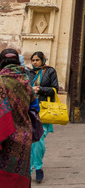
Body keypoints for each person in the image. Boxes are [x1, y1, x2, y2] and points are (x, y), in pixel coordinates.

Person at [0, 48, 39, 188]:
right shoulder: (25, 82)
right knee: (20, 176)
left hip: (4, 137)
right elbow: (36, 108)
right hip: (23, 137)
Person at [29, 51, 59, 183]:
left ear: (43, 60)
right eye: (33, 60)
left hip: (45, 109)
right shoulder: (29, 73)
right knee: (31, 141)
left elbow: (54, 89)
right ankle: (29, 170)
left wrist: (39, 89)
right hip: (30, 109)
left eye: (37, 60)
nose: (35, 62)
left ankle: (38, 167)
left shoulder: (50, 72)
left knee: (39, 139)